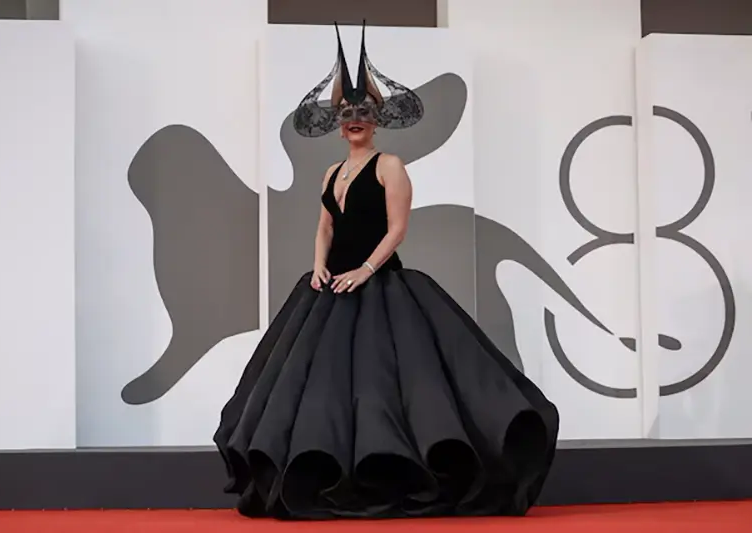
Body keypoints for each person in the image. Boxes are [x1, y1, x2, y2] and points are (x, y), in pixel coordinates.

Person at [213, 21, 559, 520]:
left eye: (363, 113)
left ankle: (396, 472)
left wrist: (367, 270)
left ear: (376, 121)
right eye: (346, 114)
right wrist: (317, 267)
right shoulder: (331, 172)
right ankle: (321, 478)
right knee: (318, 389)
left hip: (380, 284)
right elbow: (324, 227)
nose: (354, 121)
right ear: (337, 123)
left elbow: (398, 229)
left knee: (384, 384)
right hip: (328, 288)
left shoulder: (390, 166)